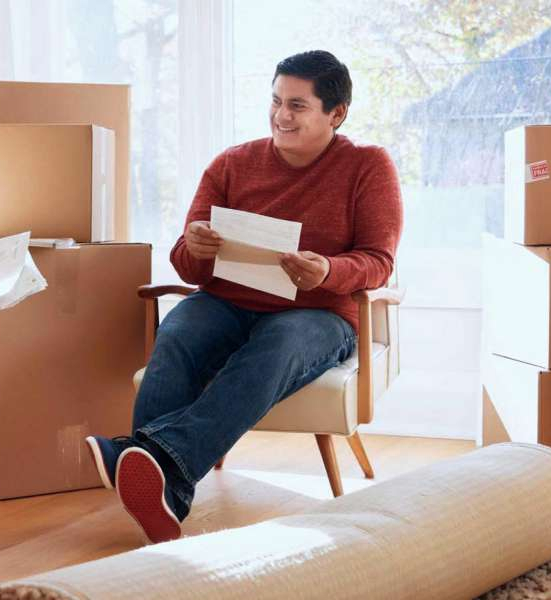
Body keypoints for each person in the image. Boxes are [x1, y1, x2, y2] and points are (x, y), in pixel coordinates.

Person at [84, 50, 403, 543]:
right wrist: (192, 247)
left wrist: (327, 270)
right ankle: (168, 492)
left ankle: (150, 458)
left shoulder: (367, 166)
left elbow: (379, 262)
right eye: (275, 101)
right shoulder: (231, 165)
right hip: (227, 301)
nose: (281, 116)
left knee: (278, 346)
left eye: (297, 105)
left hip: (315, 312)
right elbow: (187, 264)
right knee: (179, 331)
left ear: (336, 114)